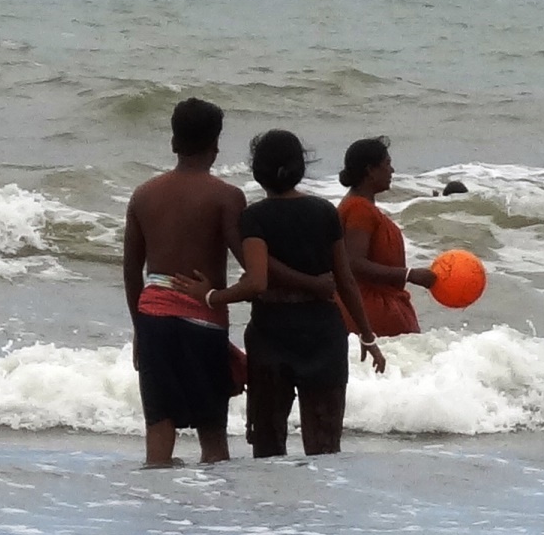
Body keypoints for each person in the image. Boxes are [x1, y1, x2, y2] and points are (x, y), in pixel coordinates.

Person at [210, 128, 386, 457]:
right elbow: (345, 279)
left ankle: (275, 505)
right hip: (323, 331)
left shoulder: (254, 217)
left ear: (258, 172)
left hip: (271, 332)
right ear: (300, 168)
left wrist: (210, 297)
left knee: (267, 442)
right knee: (324, 444)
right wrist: (366, 335)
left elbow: (258, 276)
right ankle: (317, 507)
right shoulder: (324, 211)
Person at [120, 97, 245, 465]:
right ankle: (212, 516)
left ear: (173, 143)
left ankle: (158, 510)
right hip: (202, 320)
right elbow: (248, 262)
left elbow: (132, 272)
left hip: (153, 316)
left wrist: (139, 329)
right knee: (212, 434)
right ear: (216, 145)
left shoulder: (143, 195)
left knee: (159, 425)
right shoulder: (226, 196)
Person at [336, 138, 436, 342]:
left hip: (365, 306)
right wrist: (410, 275)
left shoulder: (358, 206)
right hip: (368, 306)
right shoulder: (359, 208)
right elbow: (353, 263)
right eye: (387, 164)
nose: (392, 170)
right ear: (370, 170)